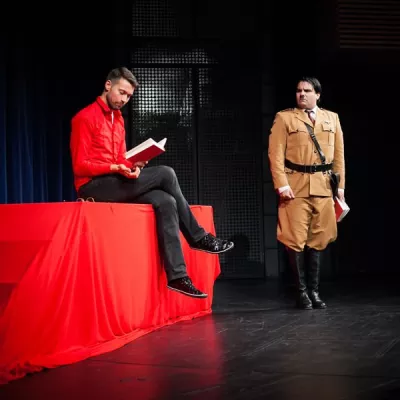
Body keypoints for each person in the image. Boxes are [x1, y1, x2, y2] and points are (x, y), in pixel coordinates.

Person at [70, 67, 234, 299]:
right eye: (121, 92)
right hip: (93, 187)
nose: (124, 99)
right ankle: (198, 237)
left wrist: (133, 164)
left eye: (129, 96)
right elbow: (79, 165)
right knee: (166, 173)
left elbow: (119, 159)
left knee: (165, 200)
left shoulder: (118, 119)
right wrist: (116, 168)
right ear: (108, 85)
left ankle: (177, 277)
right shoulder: (84, 118)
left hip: (115, 181)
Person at [268, 77, 345, 309]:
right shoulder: (285, 118)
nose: (302, 94)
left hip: (323, 186)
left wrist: (340, 188)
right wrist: (281, 184)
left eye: (307, 90)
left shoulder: (332, 118)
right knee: (294, 239)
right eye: (299, 90)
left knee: (319, 239)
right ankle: (301, 292)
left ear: (317, 94)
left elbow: (339, 156)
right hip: (296, 186)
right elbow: (275, 154)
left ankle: (314, 291)